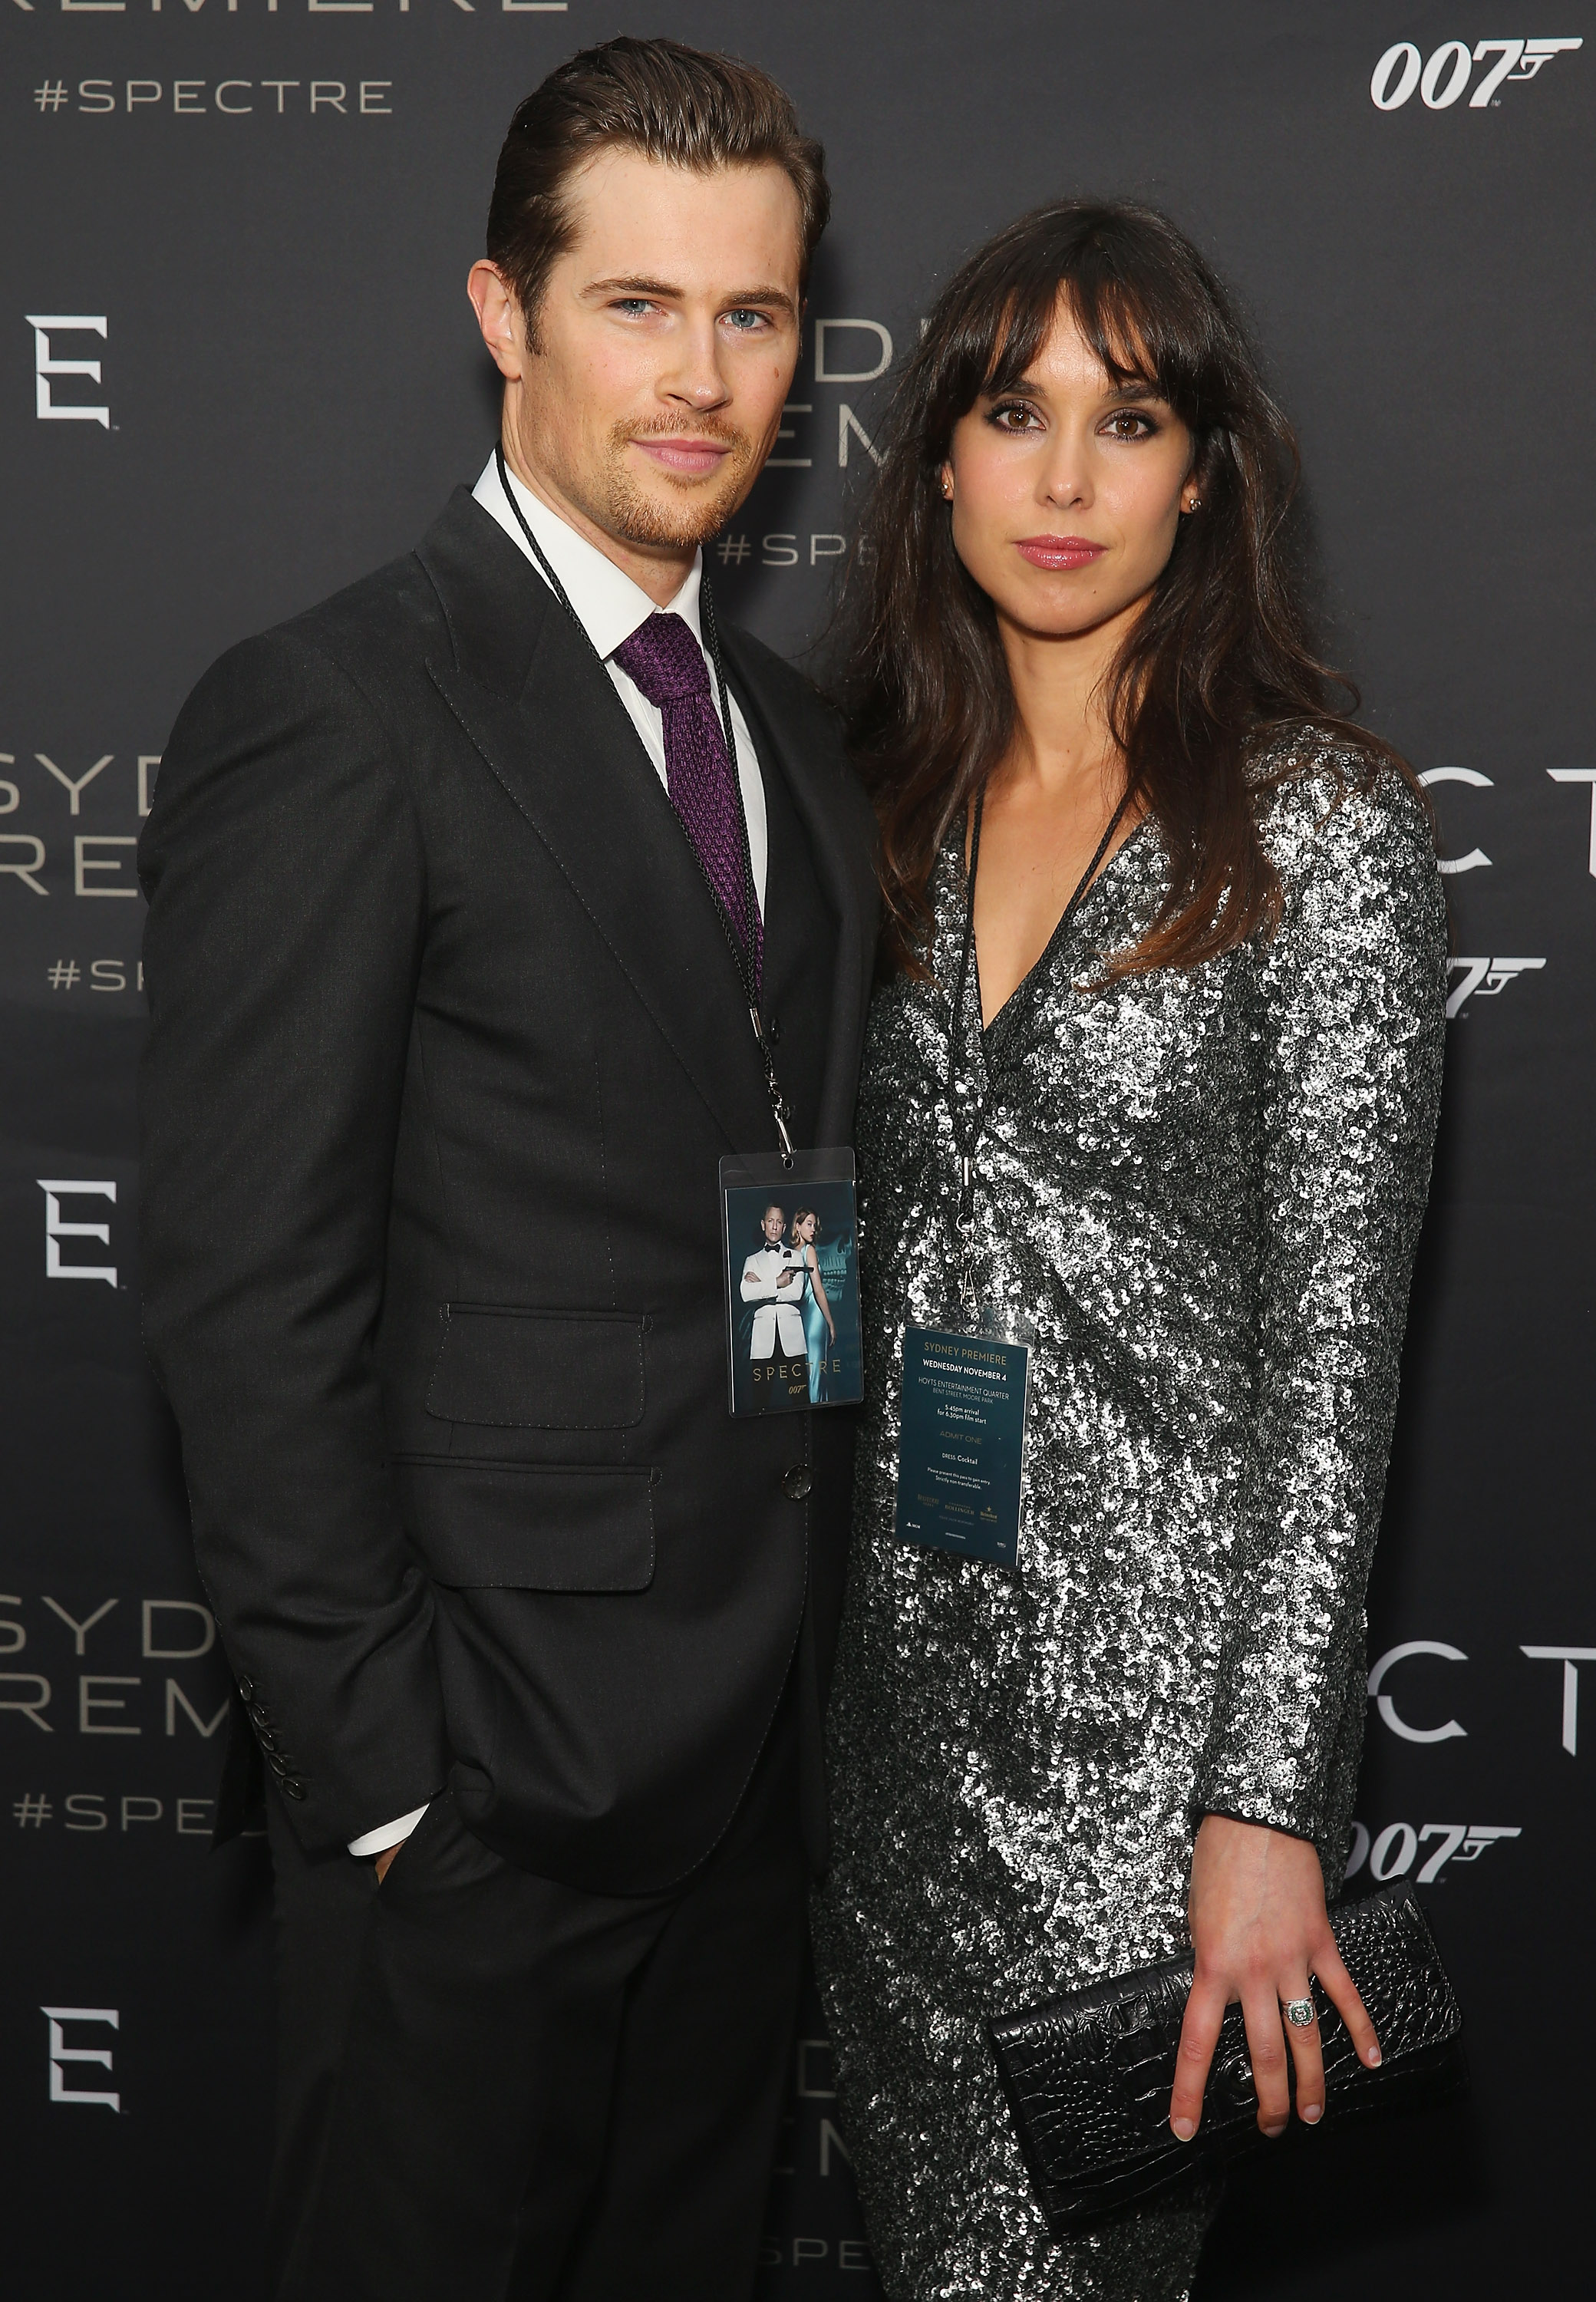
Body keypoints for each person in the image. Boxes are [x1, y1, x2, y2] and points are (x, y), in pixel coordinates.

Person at [137, 38, 876, 2302]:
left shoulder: (786, 733)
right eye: (637, 304)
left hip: (752, 1778)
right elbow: (247, 1301)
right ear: (503, 313)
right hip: (483, 1801)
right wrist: (389, 1796)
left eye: (751, 316)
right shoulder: (338, 708)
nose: (703, 375)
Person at [810, 200, 1446, 2300]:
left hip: (1150, 1787)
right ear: (941, 465)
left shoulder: (1316, 828)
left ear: (1206, 470)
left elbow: (1337, 1366)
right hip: (883, 1737)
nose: (1067, 480)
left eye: (1130, 415)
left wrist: (1265, 1812)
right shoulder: (869, 807)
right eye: (1013, 412)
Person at [740, 1200, 809, 1365]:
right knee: (761, 1391)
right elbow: (746, 1294)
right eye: (771, 1221)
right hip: (762, 1342)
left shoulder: (796, 1257)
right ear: (763, 1225)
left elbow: (796, 1293)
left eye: (779, 1222)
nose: (775, 1227)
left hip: (793, 1340)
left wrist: (762, 1286)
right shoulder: (751, 1260)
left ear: (784, 1228)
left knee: (798, 1390)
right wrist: (778, 1282)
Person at [790, 1207, 837, 1402]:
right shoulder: (809, 1250)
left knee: (810, 1371)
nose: (813, 1229)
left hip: (802, 1317)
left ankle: (813, 1410)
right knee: (817, 1371)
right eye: (809, 1224)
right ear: (798, 1226)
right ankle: (818, 1409)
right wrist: (831, 1323)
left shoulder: (792, 1253)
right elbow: (818, 1289)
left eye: (815, 1226)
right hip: (815, 1316)